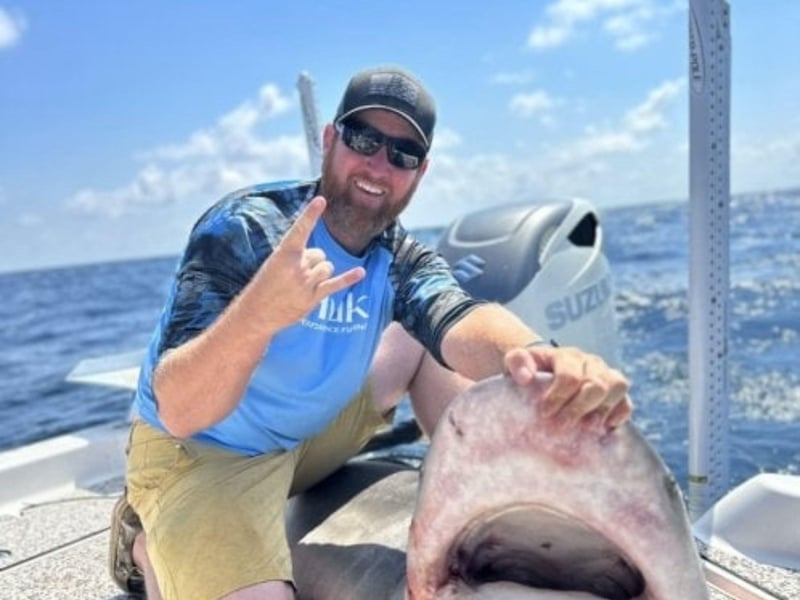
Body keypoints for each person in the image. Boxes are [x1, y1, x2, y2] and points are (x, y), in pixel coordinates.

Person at [109, 65, 632, 600]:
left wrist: (543, 361)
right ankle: (148, 538)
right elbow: (179, 409)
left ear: (420, 172)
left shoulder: (397, 256)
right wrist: (258, 315)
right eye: (364, 139)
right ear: (331, 140)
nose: (379, 165)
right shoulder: (248, 228)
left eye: (402, 153)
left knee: (422, 338)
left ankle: (479, 510)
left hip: (302, 441)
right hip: (203, 449)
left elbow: (460, 317)